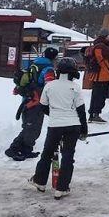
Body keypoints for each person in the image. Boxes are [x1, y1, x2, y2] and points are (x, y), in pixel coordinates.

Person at [28, 57, 88, 200]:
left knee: (47, 153)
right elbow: (81, 110)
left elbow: (43, 106)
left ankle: (40, 181)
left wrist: (54, 114)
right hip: (73, 125)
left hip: (55, 125)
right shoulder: (75, 87)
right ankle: (62, 188)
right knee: (68, 156)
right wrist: (84, 129)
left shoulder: (50, 86)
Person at [6, 47, 58, 161]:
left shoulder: (34, 64)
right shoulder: (48, 69)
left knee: (31, 127)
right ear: (54, 58)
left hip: (28, 99)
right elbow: (50, 86)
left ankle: (26, 149)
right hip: (36, 102)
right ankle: (13, 149)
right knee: (31, 128)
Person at [86, 29, 109, 123]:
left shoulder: (97, 45)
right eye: (108, 36)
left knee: (96, 95)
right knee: (100, 96)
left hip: (99, 75)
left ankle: (93, 114)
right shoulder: (101, 46)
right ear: (105, 36)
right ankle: (95, 114)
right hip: (101, 75)